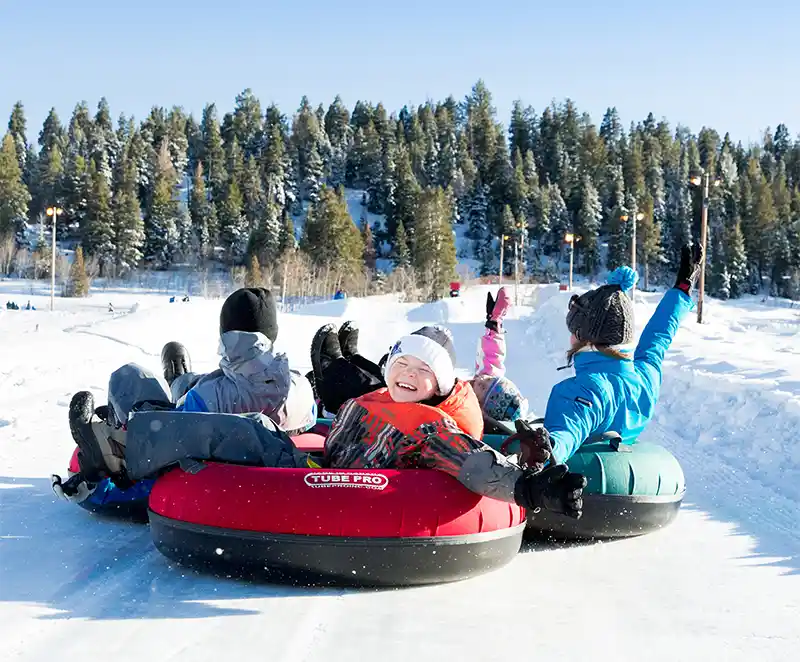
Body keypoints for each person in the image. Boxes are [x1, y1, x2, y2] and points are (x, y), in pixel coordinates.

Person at [53, 287, 316, 500]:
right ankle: (179, 379)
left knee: (131, 376)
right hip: (257, 436)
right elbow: (312, 421)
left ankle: (117, 437)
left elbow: (178, 425)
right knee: (195, 383)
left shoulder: (211, 394)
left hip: (201, 459)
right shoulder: (300, 387)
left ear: (226, 336)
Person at [313, 323, 585, 517]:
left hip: (359, 502)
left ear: (441, 383)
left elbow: (470, 459)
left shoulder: (430, 427)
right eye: (401, 363)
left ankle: (333, 370)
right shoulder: (384, 398)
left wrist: (528, 489)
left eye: (423, 370)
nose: (409, 374)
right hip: (322, 476)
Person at [511, 244, 702, 465]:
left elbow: (568, 433)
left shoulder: (584, 391)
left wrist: (546, 449)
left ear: (585, 339)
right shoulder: (644, 378)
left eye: (574, 331)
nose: (570, 337)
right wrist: (681, 290)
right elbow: (658, 337)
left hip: (582, 491)